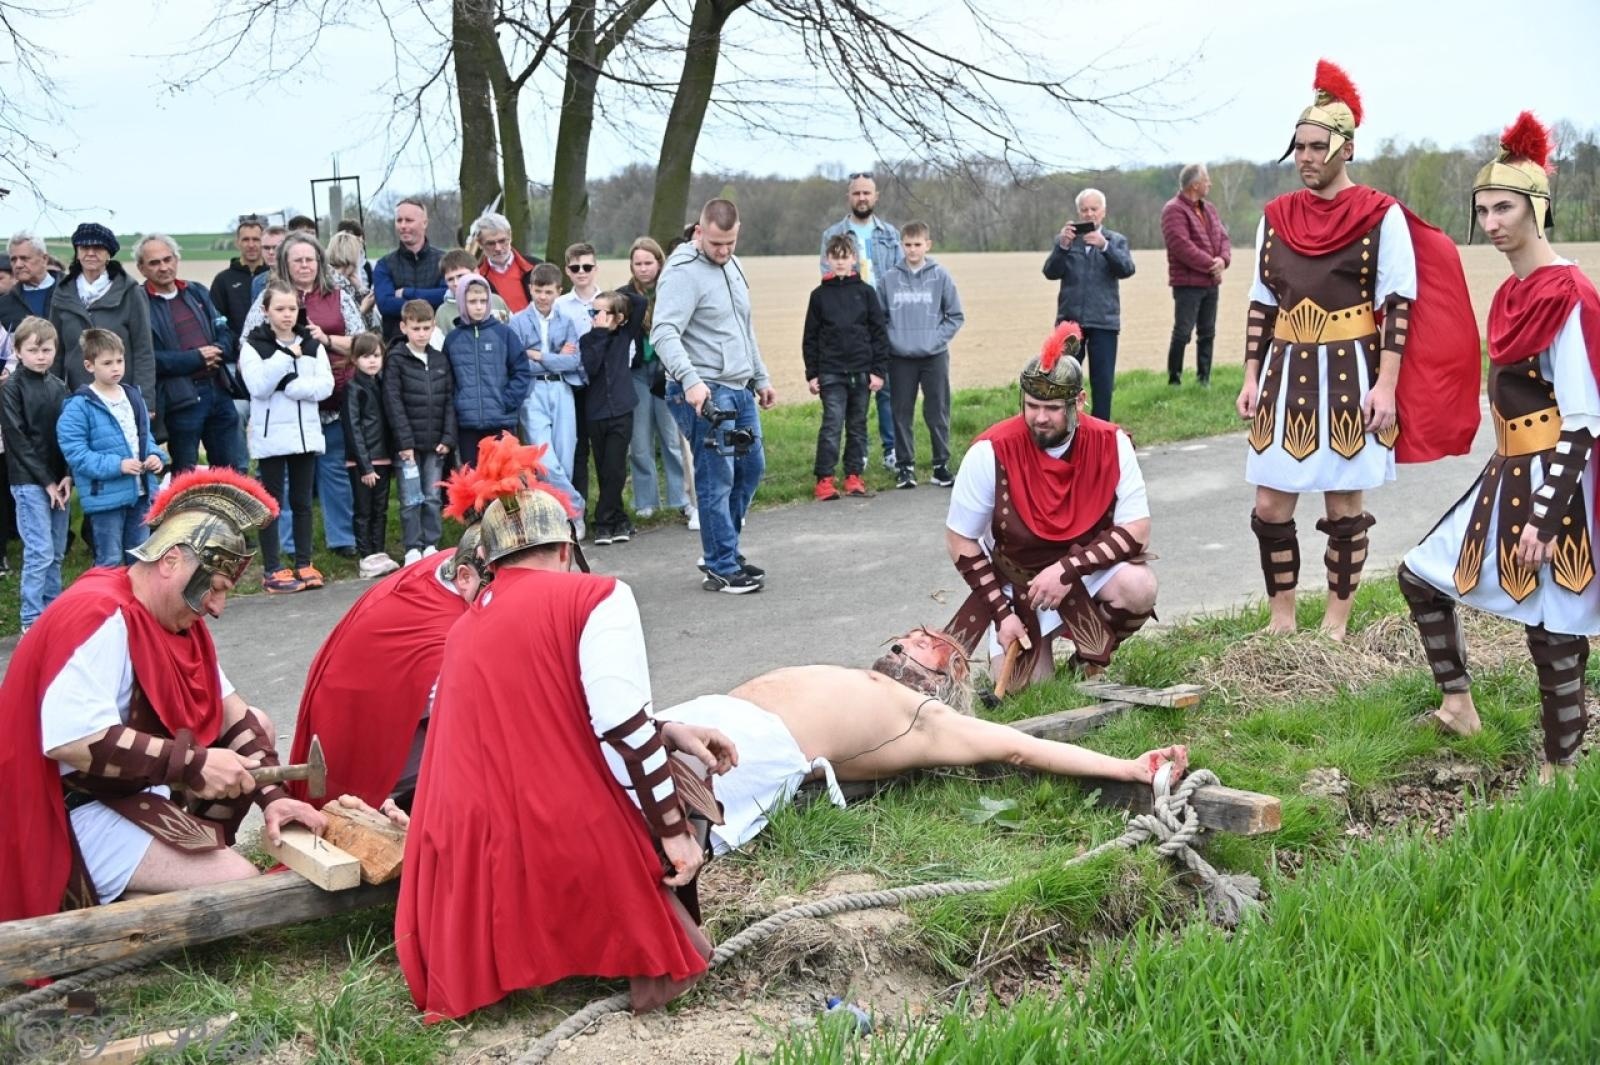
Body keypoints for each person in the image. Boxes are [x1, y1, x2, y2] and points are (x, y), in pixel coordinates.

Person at [396, 445, 727, 1021]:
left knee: (657, 758)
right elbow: (621, 726)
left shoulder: (468, 625)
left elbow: (553, 718)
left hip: (463, 862)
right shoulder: (597, 595)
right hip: (552, 837)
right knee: (684, 787)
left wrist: (668, 728)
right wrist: (673, 832)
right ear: (565, 548)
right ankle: (642, 942)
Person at [0, 468, 327, 923]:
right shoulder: (98, 615)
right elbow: (71, 740)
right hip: (65, 812)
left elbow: (234, 716)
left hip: (125, 792)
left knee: (257, 723)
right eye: (213, 589)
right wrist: (194, 763)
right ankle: (96, 902)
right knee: (240, 887)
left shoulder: (172, 619)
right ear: (172, 560)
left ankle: (176, 863)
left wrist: (274, 797)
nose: (217, 608)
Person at [1234, 59, 1480, 639]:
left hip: (1349, 370)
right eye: (1298, 147)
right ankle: (1282, 619)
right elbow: (1260, 301)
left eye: (1317, 146)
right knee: (1271, 506)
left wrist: (1387, 386)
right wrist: (1250, 374)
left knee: (1343, 508)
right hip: (1284, 371)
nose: (1306, 157)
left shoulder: (1379, 214)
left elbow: (1399, 303)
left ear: (1346, 148)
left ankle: (1336, 624)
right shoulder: (1276, 217)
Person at [1399, 113, 1597, 784]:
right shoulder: (1513, 293)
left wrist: (1545, 515)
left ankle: (1560, 770)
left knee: (1556, 621)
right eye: (1482, 208)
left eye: (1505, 206)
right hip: (1509, 466)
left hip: (1559, 477)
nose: (1491, 220)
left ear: (1538, 207)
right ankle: (1459, 705)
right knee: (1420, 574)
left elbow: (1584, 419)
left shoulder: (1569, 294)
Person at [658, 627, 1187, 854]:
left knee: (636, 806)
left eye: (930, 644)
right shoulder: (859, 680)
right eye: (910, 635)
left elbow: (1017, 746)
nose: (912, 638)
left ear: (948, 678)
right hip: (699, 717)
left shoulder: (927, 718)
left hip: (749, 748)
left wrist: (1126, 767)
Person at [944, 322, 1158, 692]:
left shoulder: (1112, 442)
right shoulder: (990, 451)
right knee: (1026, 692)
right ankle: (1039, 660)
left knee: (1138, 586)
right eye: (1032, 406)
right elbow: (960, 540)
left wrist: (1068, 570)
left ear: (1079, 402)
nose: (1040, 417)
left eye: (1052, 408)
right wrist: (1001, 613)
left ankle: (1084, 664)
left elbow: (1137, 530)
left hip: (1082, 574)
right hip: (1017, 586)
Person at [288, 526, 486, 814]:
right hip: (358, 763)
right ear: (466, 576)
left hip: (365, 720)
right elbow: (472, 741)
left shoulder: (451, 562)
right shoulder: (448, 642)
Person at [653, 198, 776, 595]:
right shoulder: (682, 272)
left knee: (751, 469)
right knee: (717, 477)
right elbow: (664, 332)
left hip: (739, 388)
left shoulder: (733, 266)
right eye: (717, 244)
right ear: (700, 231)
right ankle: (722, 565)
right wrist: (690, 380)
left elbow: (744, 327)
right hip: (702, 391)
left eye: (731, 243)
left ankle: (722, 549)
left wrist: (761, 376)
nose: (723, 251)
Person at [240, 234, 365, 561]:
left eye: (310, 259)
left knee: (334, 471)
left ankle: (342, 540)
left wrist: (326, 339)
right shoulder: (268, 299)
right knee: (283, 481)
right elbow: (249, 345)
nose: (305, 265)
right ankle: (288, 545)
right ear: (285, 264)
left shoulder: (339, 295)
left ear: (319, 261)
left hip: (334, 397)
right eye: (298, 260)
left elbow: (362, 342)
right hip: (283, 406)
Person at [241, 280, 335, 594]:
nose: (286, 315)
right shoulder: (253, 345)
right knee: (272, 504)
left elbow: (325, 386)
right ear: (265, 311)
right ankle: (272, 568)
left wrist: (294, 387)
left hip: (305, 435)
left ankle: (304, 563)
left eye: (292, 308)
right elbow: (259, 387)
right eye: (279, 309)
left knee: (302, 502)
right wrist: (286, 356)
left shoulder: (313, 344)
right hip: (272, 439)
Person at [55, 329, 165, 566]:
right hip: (105, 497)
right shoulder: (78, 406)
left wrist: (155, 456)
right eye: (107, 363)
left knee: (140, 561)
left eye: (119, 361)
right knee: (110, 561)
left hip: (141, 492)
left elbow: (144, 438)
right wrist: (118, 465)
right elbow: (77, 454)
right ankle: (109, 605)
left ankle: (133, 605)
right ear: (89, 365)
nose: (116, 368)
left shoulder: (133, 396)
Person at [137, 234, 244, 473]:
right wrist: (196, 358)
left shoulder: (196, 292)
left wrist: (217, 349)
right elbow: (147, 359)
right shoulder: (139, 304)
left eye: (168, 259)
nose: (164, 267)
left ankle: (226, 511)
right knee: (185, 473)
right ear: (141, 268)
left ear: (177, 259)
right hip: (180, 399)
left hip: (219, 390)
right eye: (154, 263)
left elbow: (225, 332)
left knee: (230, 472)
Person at [820, 172, 900, 471]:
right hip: (850, 327)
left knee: (886, 389)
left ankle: (892, 450)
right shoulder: (833, 234)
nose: (862, 198)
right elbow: (826, 277)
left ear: (875, 196)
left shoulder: (890, 234)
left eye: (867, 193)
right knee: (858, 395)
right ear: (849, 197)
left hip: (883, 322)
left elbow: (898, 277)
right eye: (857, 193)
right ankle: (860, 454)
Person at [803, 234, 888, 500]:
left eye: (845, 257)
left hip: (862, 372)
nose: (840, 262)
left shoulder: (866, 293)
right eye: (835, 257)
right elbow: (811, 337)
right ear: (828, 259)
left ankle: (854, 476)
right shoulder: (818, 297)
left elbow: (879, 334)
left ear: (853, 259)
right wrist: (812, 374)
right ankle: (825, 479)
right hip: (830, 372)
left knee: (857, 425)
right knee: (832, 424)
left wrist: (878, 370)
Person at [882, 220, 964, 490]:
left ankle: (941, 465)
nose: (912, 250)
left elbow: (955, 315)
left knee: (937, 410)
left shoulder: (940, 276)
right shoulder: (889, 279)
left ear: (927, 245)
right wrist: (894, 340)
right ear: (901, 245)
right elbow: (879, 319)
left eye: (918, 244)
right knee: (901, 411)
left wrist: (934, 340)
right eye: (907, 245)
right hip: (900, 357)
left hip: (934, 356)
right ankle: (905, 467)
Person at [2, 317, 71, 631]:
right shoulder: (11, 389)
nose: (41, 355)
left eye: (47, 349)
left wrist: (67, 476)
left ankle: (53, 613)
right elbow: (17, 440)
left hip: (61, 482)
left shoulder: (59, 386)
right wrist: (46, 482)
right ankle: (32, 619)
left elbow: (71, 434)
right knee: (39, 550)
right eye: (33, 350)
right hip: (30, 483)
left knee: (56, 552)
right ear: (17, 351)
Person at [1042, 191, 1135, 422]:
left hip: (1104, 321)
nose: (1089, 213)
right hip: (1070, 322)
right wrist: (1062, 246)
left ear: (1103, 212)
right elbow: (1050, 272)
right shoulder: (1065, 240)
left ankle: (1101, 430)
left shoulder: (1116, 240)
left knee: (1102, 382)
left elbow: (1127, 269)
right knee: (1063, 378)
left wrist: (1105, 247)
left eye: (1094, 209)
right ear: (1078, 212)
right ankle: (1065, 426)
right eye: (1084, 209)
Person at [621, 237, 691, 524]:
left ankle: (681, 498)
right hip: (637, 372)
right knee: (639, 440)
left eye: (648, 263)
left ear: (660, 263)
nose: (643, 269)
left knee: (672, 437)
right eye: (637, 263)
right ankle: (646, 500)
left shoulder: (671, 290)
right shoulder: (624, 296)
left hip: (667, 371)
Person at [511, 262, 586, 527]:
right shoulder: (517, 321)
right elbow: (519, 362)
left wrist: (540, 355)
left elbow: (573, 362)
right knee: (544, 460)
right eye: (538, 290)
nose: (543, 297)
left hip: (562, 388)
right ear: (530, 289)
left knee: (565, 456)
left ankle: (559, 517)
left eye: (548, 292)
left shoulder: (566, 321)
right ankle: (576, 507)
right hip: (533, 392)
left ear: (558, 291)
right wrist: (554, 358)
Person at [48, 224, 157, 404]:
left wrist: (144, 399)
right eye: (84, 247)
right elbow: (56, 352)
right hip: (77, 396)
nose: (90, 253)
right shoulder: (62, 293)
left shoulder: (130, 291)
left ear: (109, 254)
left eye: (98, 248)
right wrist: (54, 399)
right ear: (77, 251)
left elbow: (143, 349)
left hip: (122, 396)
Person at [384, 299, 456, 565]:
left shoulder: (439, 359)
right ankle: (413, 546)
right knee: (411, 497)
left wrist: (448, 437)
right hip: (408, 446)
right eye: (416, 328)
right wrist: (404, 442)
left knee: (433, 496)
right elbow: (393, 403)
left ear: (433, 326)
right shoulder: (396, 360)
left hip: (436, 443)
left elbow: (449, 400)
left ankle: (431, 544)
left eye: (426, 327)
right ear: (404, 327)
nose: (421, 333)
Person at [444, 273, 533, 467]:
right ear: (461, 301)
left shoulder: (504, 334)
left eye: (483, 301)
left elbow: (521, 371)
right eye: (472, 301)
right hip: (467, 423)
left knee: (503, 477)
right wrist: (457, 406)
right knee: (473, 478)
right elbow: (447, 381)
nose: (478, 306)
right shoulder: (452, 340)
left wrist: (507, 401)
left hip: (501, 420)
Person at [581, 290, 645, 545]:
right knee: (604, 468)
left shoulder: (624, 336)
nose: (594, 316)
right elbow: (591, 367)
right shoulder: (588, 340)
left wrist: (615, 297)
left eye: (599, 312)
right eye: (592, 312)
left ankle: (603, 521)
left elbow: (640, 302)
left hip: (621, 410)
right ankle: (618, 520)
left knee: (616, 468)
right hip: (596, 413)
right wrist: (599, 333)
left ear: (617, 317)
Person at [1161, 164, 1231, 387]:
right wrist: (1211, 264)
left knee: (1208, 333)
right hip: (1187, 284)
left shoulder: (1209, 209)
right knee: (1183, 333)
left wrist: (1223, 260)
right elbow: (1181, 246)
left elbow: (1223, 237)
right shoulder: (1173, 210)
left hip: (1211, 282)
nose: (1210, 183)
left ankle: (1204, 379)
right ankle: (1174, 379)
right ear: (1195, 185)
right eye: (1207, 179)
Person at [342, 332, 400, 578]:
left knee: (381, 509)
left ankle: (379, 552)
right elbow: (353, 428)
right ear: (354, 359)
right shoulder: (353, 389)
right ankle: (366, 556)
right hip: (363, 461)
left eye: (376, 355)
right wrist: (365, 466)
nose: (372, 361)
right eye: (365, 356)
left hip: (384, 456)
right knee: (364, 510)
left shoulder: (382, 383)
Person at [555, 242, 603, 504]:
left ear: (596, 268)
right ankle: (577, 508)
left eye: (587, 266)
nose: (581, 272)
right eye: (575, 267)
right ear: (568, 271)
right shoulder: (560, 306)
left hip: (603, 383)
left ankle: (610, 509)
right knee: (577, 449)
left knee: (605, 450)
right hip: (573, 385)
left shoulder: (609, 299)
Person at [375, 198, 448, 341]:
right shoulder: (384, 264)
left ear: (425, 223)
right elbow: (385, 304)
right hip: (397, 345)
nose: (402, 226)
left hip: (437, 344)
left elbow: (447, 296)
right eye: (399, 220)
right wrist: (429, 302)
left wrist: (407, 293)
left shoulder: (443, 261)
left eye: (409, 220)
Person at [430, 248, 510, 350]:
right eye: (450, 279)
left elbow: (512, 335)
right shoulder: (443, 312)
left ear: (476, 272)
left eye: (460, 276)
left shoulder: (496, 301)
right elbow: (439, 349)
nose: (456, 283)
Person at [210, 217, 271, 344]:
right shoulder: (223, 280)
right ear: (237, 243)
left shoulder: (274, 277)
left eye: (256, 239)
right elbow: (217, 319)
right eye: (245, 240)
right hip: (235, 350)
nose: (251, 245)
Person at [471, 211, 539, 313]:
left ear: (510, 237)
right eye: (490, 243)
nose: (498, 248)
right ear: (480, 244)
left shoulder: (536, 267)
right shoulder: (476, 277)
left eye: (502, 241)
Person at [1, 232, 60, 330]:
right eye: (13, 260)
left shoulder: (70, 292)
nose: (18, 265)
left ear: (44, 259)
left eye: (24, 258)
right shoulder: (3, 305)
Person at [328, 230, 381, 332]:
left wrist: (361, 290)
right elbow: (343, 326)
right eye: (359, 253)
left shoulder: (349, 281)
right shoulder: (333, 286)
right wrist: (363, 309)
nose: (361, 259)